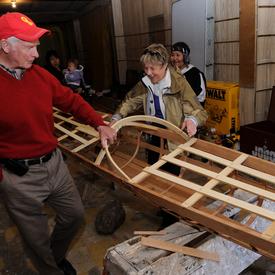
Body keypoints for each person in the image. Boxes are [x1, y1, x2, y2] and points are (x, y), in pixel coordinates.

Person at [0, 12, 117, 275]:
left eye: (36, 46)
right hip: (18, 177)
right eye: (29, 46)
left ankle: (55, 257)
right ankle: (52, 269)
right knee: (36, 239)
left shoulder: (40, 75)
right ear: (6, 45)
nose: (36, 53)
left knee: (74, 216)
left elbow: (71, 101)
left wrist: (98, 122)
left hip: (54, 164)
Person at [111, 43, 207, 227]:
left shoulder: (178, 82)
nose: (148, 72)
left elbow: (197, 110)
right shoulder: (146, 82)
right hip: (154, 134)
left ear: (164, 66)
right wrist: (117, 117)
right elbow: (131, 100)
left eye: (152, 68)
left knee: (171, 179)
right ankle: (163, 206)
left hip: (173, 139)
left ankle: (170, 219)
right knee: (155, 172)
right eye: (145, 68)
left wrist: (192, 121)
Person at [170, 42, 207, 106]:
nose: (175, 58)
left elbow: (199, 97)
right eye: (172, 55)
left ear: (185, 57)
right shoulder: (171, 72)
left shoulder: (195, 73)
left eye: (178, 55)